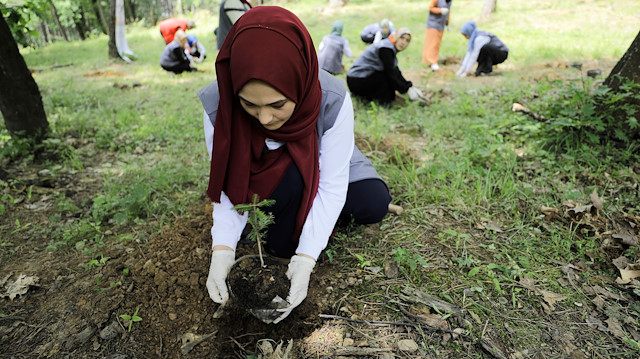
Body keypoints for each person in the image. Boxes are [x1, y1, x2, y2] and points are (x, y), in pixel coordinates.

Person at [199, 6, 393, 324]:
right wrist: (222, 249)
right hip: (267, 176)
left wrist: (306, 257)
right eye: (249, 104)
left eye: (277, 104)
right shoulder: (220, 102)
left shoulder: (330, 97)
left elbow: (331, 183)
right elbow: (228, 182)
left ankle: (310, 214)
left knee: (373, 202)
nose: (264, 119)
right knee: (279, 241)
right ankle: (299, 212)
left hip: (321, 153)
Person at [347, 28, 427, 106]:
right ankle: (381, 101)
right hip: (357, 80)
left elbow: (395, 70)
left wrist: (409, 86)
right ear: (396, 36)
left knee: (388, 76)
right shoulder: (385, 48)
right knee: (387, 79)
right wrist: (406, 90)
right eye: (402, 38)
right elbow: (391, 72)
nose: (403, 42)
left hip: (360, 78)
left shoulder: (388, 46)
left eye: (407, 40)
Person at [422, 0, 452, 71]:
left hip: (441, 25)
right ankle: (431, 61)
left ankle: (430, 60)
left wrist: (447, 23)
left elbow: (448, 11)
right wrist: (440, 10)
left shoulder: (449, 1)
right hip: (433, 24)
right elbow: (430, 8)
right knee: (432, 44)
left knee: (437, 44)